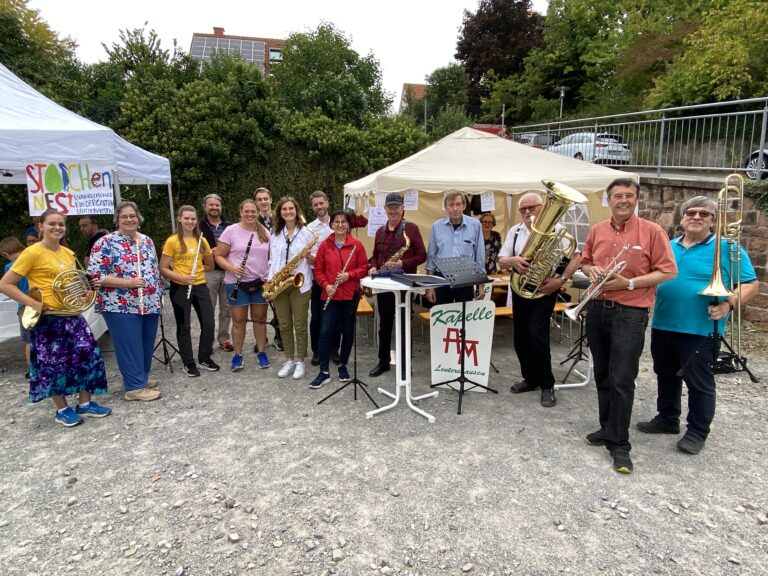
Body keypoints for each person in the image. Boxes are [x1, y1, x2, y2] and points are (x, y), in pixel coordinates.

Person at [638, 196, 758, 454]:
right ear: (682, 218)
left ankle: (697, 431)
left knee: (699, 383)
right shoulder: (669, 245)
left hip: (700, 329)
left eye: (704, 214)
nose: (696, 217)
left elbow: (750, 283)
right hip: (663, 323)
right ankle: (667, 419)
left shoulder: (728, 248)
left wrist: (729, 304)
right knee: (665, 374)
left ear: (713, 221)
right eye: (691, 212)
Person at [580, 178, 677, 474]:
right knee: (602, 373)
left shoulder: (652, 231)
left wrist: (630, 282)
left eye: (629, 195)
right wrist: (591, 269)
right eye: (618, 196)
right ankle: (607, 427)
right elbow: (584, 261)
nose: (623, 200)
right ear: (609, 200)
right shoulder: (597, 230)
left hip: (630, 313)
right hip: (597, 309)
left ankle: (620, 444)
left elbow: (668, 271)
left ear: (637, 199)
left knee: (622, 377)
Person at [0, 208, 110, 427]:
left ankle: (85, 403)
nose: (57, 227)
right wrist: (33, 303)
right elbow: (5, 284)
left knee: (87, 357)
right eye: (52, 223)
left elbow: (73, 282)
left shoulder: (67, 253)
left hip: (72, 315)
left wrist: (86, 289)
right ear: (41, 226)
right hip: (48, 318)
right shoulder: (32, 253)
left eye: (61, 224)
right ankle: (61, 409)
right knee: (53, 365)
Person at [498, 192, 582, 408]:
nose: (527, 212)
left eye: (532, 208)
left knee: (538, 336)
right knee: (520, 337)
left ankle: (547, 384)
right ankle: (530, 378)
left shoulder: (558, 230)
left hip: (545, 289)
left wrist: (561, 280)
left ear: (542, 208)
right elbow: (502, 260)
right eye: (523, 209)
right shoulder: (515, 231)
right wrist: (513, 260)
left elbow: (576, 256)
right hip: (520, 289)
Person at [88, 201, 163, 402]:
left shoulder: (146, 241)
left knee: (146, 342)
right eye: (124, 217)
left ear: (138, 218)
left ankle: (142, 377)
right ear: (117, 220)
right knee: (129, 344)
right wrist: (128, 283)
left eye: (132, 216)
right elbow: (95, 275)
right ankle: (134, 387)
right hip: (120, 305)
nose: (129, 220)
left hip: (148, 302)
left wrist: (158, 297)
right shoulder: (106, 242)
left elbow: (154, 270)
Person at [366, 192, 427, 377]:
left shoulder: (412, 229)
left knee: (404, 324)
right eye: (389, 207)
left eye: (396, 207)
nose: (393, 210)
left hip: (403, 284)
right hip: (385, 285)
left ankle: (405, 364)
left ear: (402, 209)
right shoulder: (379, 231)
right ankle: (383, 362)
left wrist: (402, 263)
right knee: (384, 325)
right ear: (385, 209)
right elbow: (375, 256)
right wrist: (373, 266)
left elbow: (422, 255)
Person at [308, 210, 368, 389]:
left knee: (347, 331)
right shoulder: (325, 245)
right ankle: (324, 371)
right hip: (330, 294)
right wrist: (326, 284)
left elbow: (363, 268)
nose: (340, 225)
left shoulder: (357, 245)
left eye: (343, 222)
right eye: (336, 222)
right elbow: (318, 270)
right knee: (325, 332)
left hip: (350, 294)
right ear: (331, 225)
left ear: (348, 224)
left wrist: (349, 275)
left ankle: (342, 365)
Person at [160, 205, 220, 377]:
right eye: (186, 218)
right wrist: (182, 277)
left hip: (200, 285)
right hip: (180, 287)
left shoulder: (202, 240)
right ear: (179, 219)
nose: (190, 221)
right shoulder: (172, 241)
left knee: (208, 323)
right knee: (184, 325)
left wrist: (197, 271)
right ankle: (188, 362)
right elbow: (163, 267)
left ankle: (204, 357)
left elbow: (210, 265)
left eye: (193, 219)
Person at [214, 199, 272, 372]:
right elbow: (218, 256)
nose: (250, 214)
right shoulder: (231, 231)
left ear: (257, 212)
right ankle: (238, 355)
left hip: (261, 282)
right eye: (246, 211)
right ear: (240, 212)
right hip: (236, 282)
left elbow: (272, 256)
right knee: (238, 321)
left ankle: (261, 352)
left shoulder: (265, 232)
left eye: (253, 211)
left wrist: (270, 276)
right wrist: (232, 268)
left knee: (260, 319)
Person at [267, 196, 315, 380]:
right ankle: (289, 360)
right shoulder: (276, 233)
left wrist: (310, 257)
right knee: (284, 324)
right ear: (280, 212)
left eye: (291, 209)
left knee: (300, 324)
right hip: (280, 283)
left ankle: (300, 361)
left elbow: (315, 258)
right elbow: (273, 261)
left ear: (297, 211)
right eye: (284, 209)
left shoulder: (307, 232)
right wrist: (271, 284)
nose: (288, 212)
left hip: (300, 284)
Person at [425, 192, 485, 305]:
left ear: (464, 206)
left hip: (465, 277)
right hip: (441, 278)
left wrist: (480, 286)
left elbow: (479, 257)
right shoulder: (436, 226)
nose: (455, 208)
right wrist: (430, 287)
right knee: (444, 317)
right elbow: (431, 258)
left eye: (458, 204)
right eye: (451, 205)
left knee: (463, 318)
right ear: (446, 207)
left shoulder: (475, 225)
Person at [305, 190, 339, 366]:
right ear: (312, 207)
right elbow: (307, 254)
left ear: (327, 203)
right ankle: (317, 351)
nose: (319, 206)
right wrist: (322, 260)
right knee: (317, 317)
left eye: (321, 203)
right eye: (315, 204)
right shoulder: (309, 228)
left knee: (335, 316)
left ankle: (334, 349)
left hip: (337, 279)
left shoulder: (337, 225)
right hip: (318, 279)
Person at [199, 193, 234, 352]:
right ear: (205, 207)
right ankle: (208, 341)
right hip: (210, 272)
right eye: (211, 205)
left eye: (217, 205)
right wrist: (210, 252)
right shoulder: (198, 227)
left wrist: (220, 252)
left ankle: (224, 339)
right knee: (209, 308)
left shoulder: (230, 226)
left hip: (227, 270)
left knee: (226, 309)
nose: (214, 207)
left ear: (221, 207)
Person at [254, 186, 283, 353]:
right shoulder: (252, 220)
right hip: (261, 268)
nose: (263, 202)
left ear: (271, 200)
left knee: (279, 306)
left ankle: (279, 337)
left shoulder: (280, 218)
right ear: (256, 202)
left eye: (266, 199)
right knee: (261, 306)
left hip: (278, 267)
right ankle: (261, 338)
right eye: (259, 199)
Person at [1, 237, 31, 379]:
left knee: (29, 340)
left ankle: (32, 370)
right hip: (40, 302)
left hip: (24, 305)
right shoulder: (32, 258)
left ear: (5, 254)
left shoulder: (9, 267)